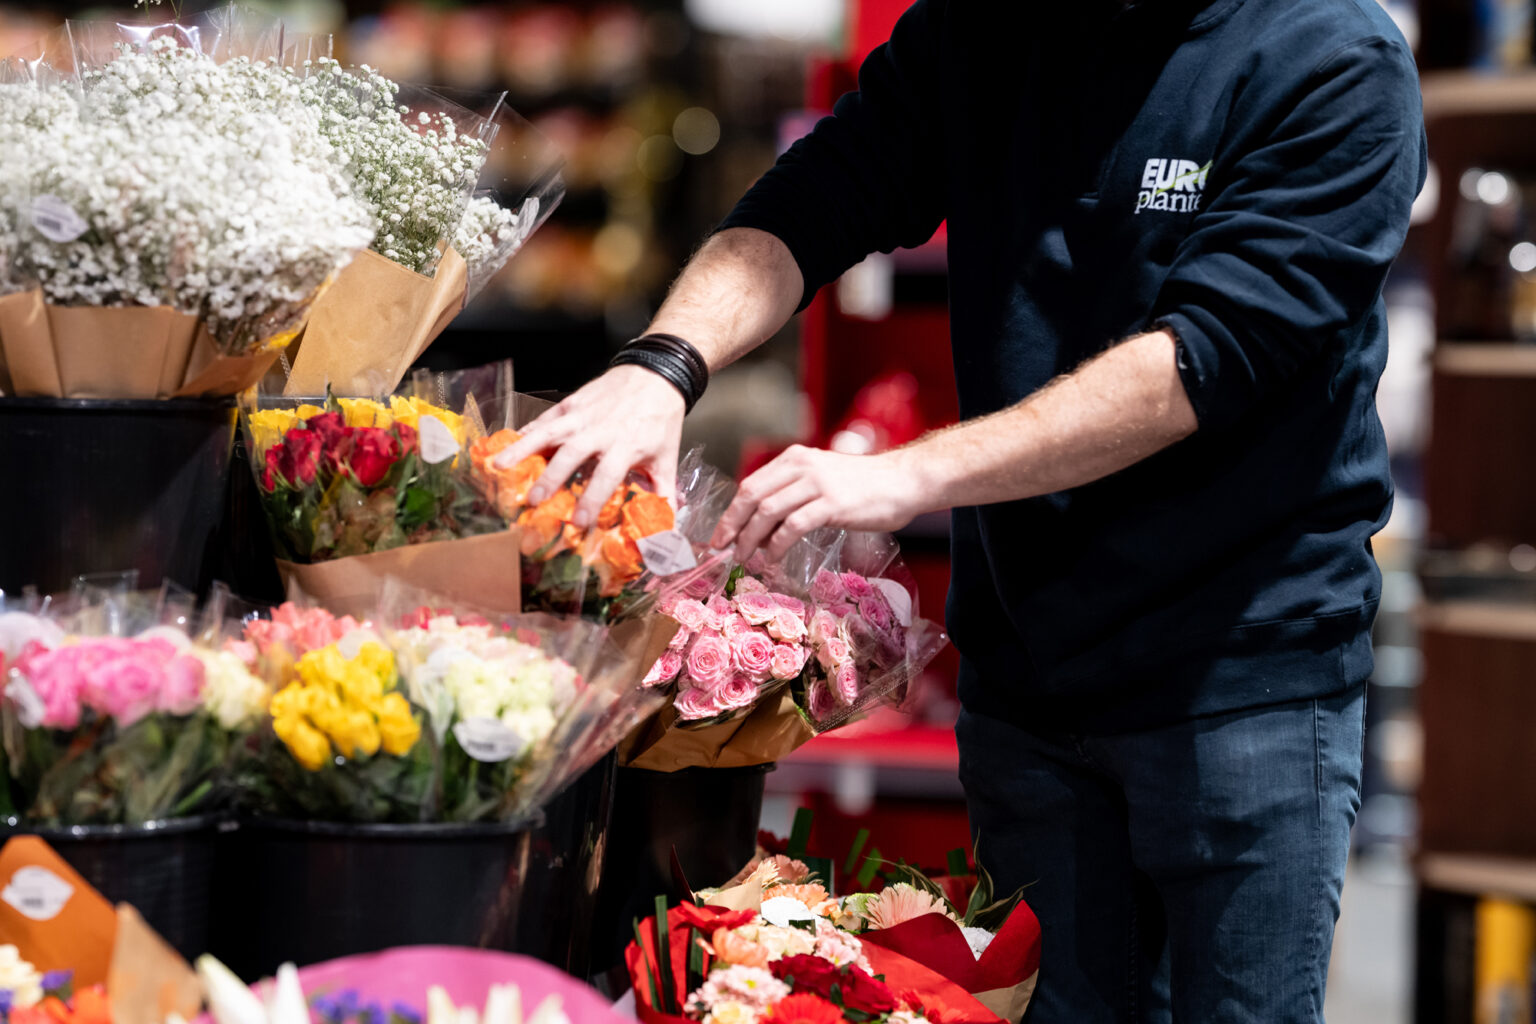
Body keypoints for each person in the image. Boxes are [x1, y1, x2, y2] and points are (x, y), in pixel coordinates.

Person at [497, 0, 1425, 1019]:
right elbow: (815, 199)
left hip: (1245, 689)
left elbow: (1199, 366)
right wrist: (664, 364)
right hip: (1033, 687)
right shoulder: (987, 29)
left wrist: (907, 474)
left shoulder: (1334, 59)